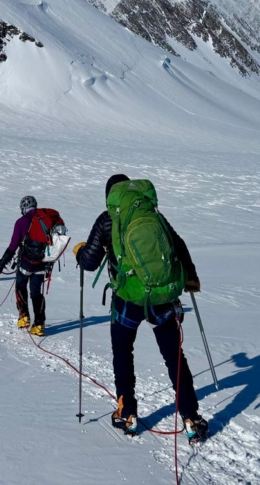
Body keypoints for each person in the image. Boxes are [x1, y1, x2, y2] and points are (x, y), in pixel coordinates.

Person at [73, 174, 209, 444]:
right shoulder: (152, 214)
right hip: (162, 298)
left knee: (123, 353)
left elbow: (89, 262)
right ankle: (191, 417)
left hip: (127, 300)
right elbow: (178, 245)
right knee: (174, 356)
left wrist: (79, 250)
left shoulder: (106, 219)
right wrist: (191, 277)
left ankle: (128, 413)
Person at [0, 195, 65, 336]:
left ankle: (24, 317)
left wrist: (1, 264)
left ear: (23, 208)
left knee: (20, 285)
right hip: (43, 263)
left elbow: (13, 246)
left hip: (26, 263)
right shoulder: (45, 220)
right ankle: (39, 325)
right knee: (36, 292)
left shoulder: (21, 222)